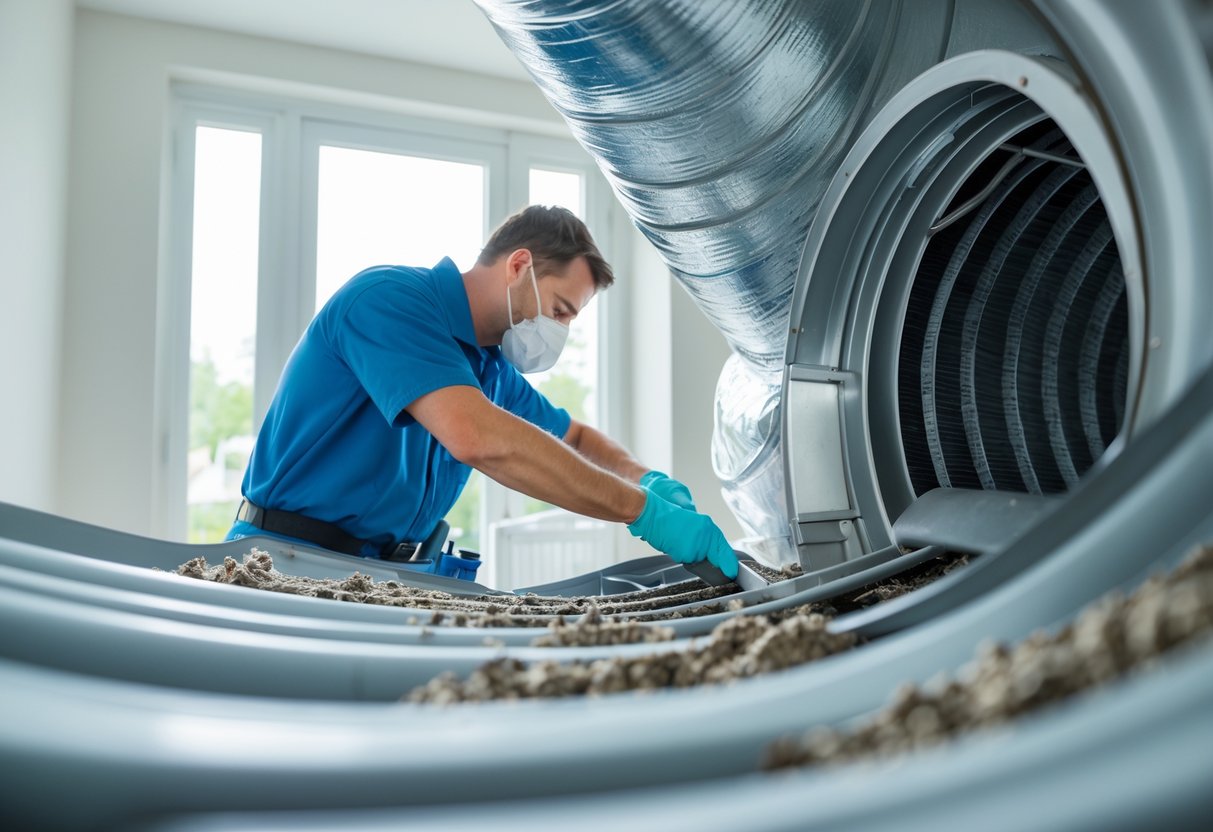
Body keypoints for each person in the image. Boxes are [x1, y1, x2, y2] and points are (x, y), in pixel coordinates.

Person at [227, 204, 739, 580]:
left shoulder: (487, 368)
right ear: (519, 267)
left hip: (385, 576)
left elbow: (575, 436)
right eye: (561, 309)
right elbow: (476, 437)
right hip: (287, 564)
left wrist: (650, 480)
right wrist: (641, 511)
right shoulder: (390, 302)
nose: (560, 329)